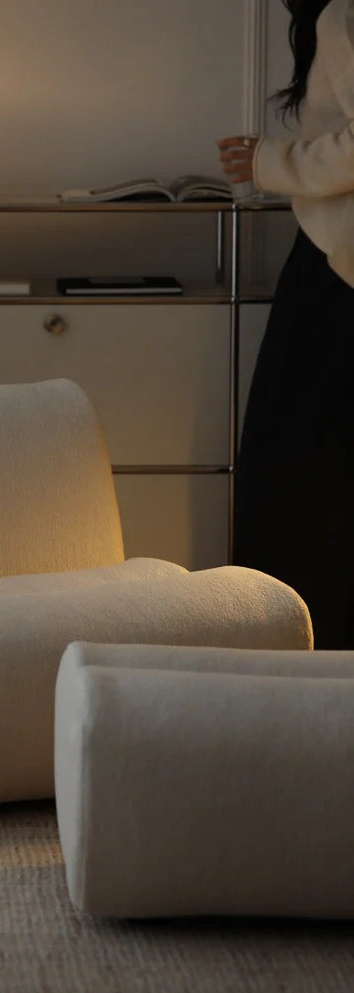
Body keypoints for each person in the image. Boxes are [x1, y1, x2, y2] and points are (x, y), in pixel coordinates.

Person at [217, 0, 354, 649]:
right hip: (333, 263)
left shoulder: (344, 16)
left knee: (290, 468)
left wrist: (270, 162)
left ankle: (287, 645)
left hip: (338, 268)